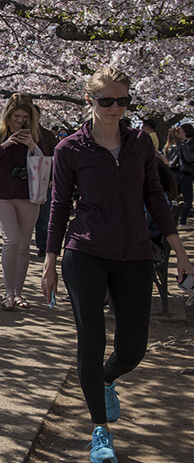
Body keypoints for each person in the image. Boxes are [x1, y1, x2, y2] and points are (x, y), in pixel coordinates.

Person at [41, 66, 194, 463]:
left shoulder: (140, 143)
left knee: (133, 348)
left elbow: (156, 196)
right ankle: (99, 431)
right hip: (85, 252)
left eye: (122, 101)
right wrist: (50, 260)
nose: (114, 108)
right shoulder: (69, 149)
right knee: (90, 341)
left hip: (135, 253)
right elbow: (58, 206)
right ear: (89, 99)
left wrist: (179, 250)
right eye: (106, 100)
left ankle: (107, 380)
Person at [0, 93, 44, 310]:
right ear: (7, 114)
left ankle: (18, 293)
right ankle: (7, 294)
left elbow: (46, 164)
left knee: (24, 245)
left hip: (28, 194)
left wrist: (32, 146)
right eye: (16, 116)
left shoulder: (34, 134)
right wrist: (4, 145)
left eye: (25, 117)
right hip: (1, 193)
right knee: (11, 240)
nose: (20, 121)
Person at [33, 104, 59, 259]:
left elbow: (55, 159)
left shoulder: (48, 135)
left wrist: (51, 179)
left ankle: (42, 245)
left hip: (44, 181)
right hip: (25, 181)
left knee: (43, 217)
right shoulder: (20, 133)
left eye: (35, 113)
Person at [166, 124, 194, 228]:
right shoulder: (183, 144)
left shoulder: (168, 146)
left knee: (173, 198)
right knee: (187, 198)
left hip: (172, 173)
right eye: (182, 132)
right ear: (178, 134)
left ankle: (171, 221)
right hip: (183, 173)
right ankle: (182, 222)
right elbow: (188, 158)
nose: (185, 134)